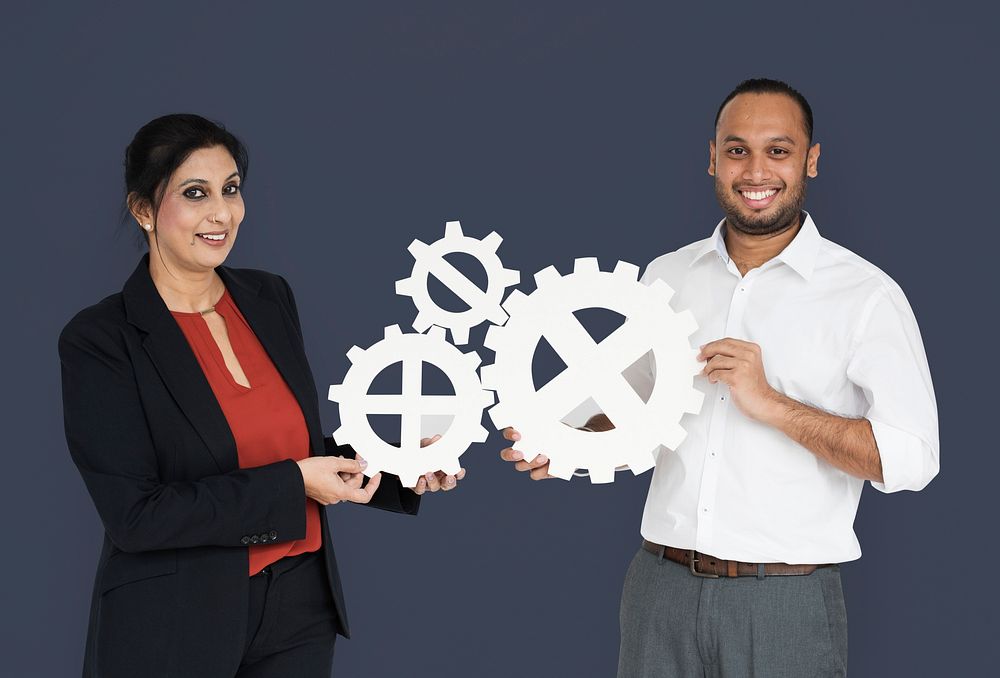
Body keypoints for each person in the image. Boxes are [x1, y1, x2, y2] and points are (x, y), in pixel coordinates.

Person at [499, 78, 939, 677]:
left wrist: (771, 403)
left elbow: (911, 461)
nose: (756, 171)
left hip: (783, 602)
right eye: (737, 150)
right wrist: (574, 445)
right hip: (660, 591)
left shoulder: (865, 295)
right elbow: (635, 416)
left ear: (811, 160)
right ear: (712, 158)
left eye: (778, 151)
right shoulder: (668, 274)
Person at [59, 113, 462, 678]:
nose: (221, 213)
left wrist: (402, 463)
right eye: (194, 194)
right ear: (143, 210)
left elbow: (285, 444)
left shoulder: (268, 297)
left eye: (231, 189)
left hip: (299, 610)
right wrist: (296, 483)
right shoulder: (102, 339)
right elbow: (137, 516)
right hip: (176, 620)